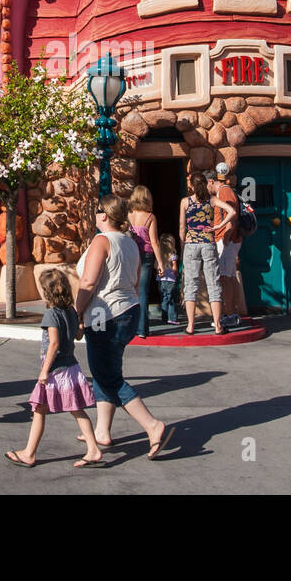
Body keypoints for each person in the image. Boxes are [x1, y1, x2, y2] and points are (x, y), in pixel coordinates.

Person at [75, 194, 174, 459]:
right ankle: (102, 431)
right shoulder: (130, 243)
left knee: (108, 376)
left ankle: (152, 426)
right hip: (129, 311)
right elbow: (134, 280)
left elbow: (87, 283)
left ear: (104, 215)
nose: (95, 215)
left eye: (97, 211)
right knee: (106, 370)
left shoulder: (102, 240)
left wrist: (76, 312)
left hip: (104, 314)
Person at [4, 268, 105, 469]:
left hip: (55, 371)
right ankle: (93, 449)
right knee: (76, 409)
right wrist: (80, 325)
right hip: (72, 369)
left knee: (39, 409)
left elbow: (54, 344)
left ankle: (29, 454)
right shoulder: (71, 311)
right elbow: (78, 336)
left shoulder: (51, 315)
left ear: (46, 292)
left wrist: (44, 371)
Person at [179, 171, 233, 335]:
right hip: (208, 243)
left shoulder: (185, 202)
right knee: (213, 283)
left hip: (191, 244)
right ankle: (217, 325)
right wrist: (217, 227)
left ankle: (190, 325)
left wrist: (183, 245)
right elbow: (232, 211)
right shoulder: (212, 200)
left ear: (191, 185)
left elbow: (182, 227)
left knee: (191, 284)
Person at [209, 164, 245, 327]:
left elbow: (231, 218)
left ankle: (229, 314)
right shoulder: (224, 191)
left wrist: (225, 238)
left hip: (227, 240)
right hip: (229, 240)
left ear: (211, 182)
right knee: (229, 277)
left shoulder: (223, 192)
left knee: (225, 278)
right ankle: (232, 312)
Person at [127, 185, 166, 338]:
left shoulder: (128, 215)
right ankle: (142, 329)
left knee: (130, 290)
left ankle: (130, 326)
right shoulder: (150, 217)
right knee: (142, 291)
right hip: (146, 256)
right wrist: (161, 263)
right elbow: (154, 242)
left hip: (131, 254)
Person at [157, 233, 180, 326]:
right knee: (172, 300)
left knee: (164, 299)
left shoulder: (160, 256)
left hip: (161, 280)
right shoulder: (173, 255)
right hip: (171, 280)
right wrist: (177, 273)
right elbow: (174, 268)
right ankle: (172, 318)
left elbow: (157, 267)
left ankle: (164, 317)